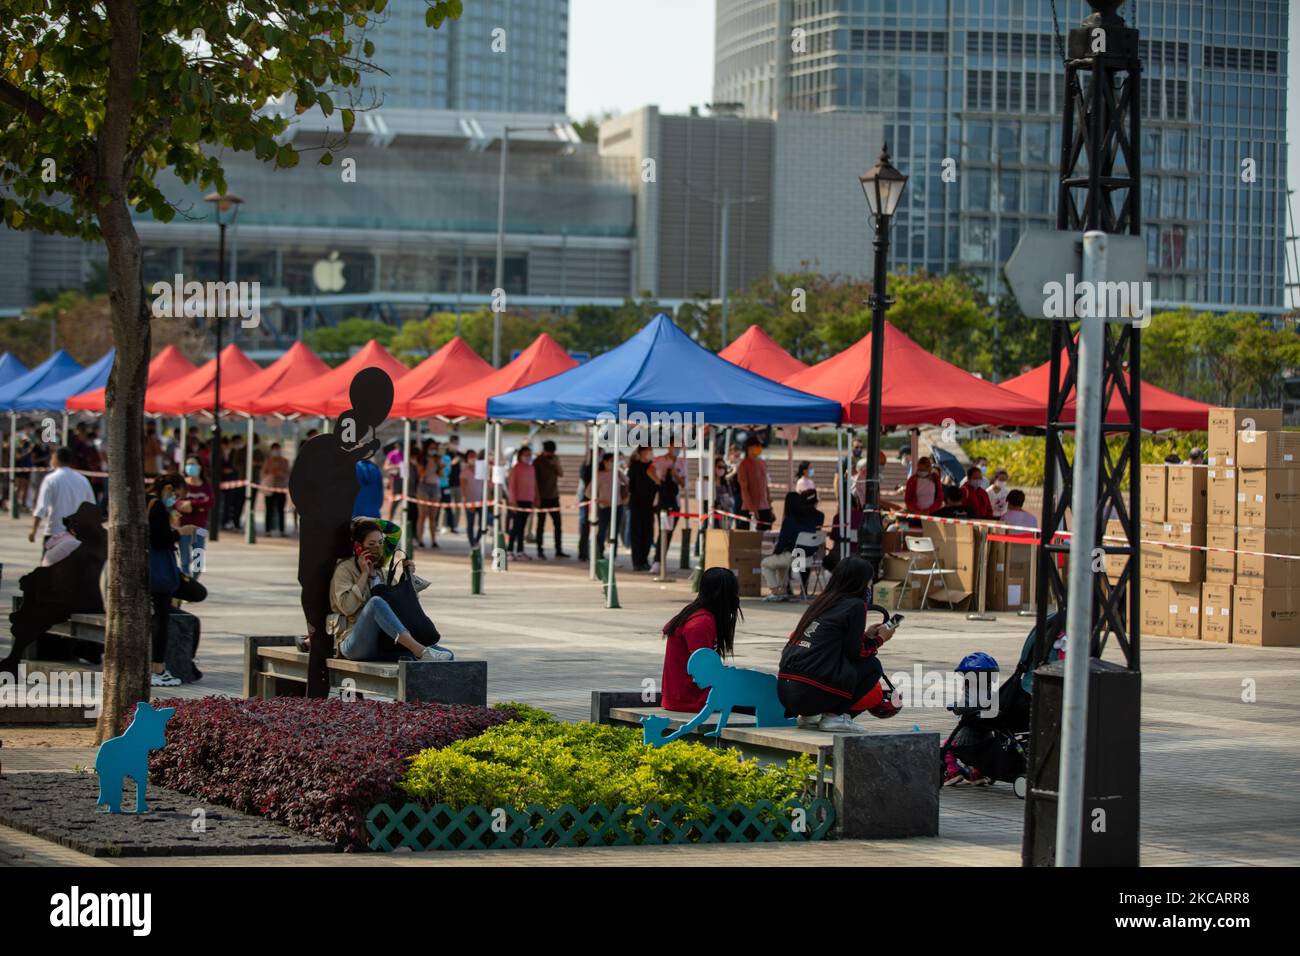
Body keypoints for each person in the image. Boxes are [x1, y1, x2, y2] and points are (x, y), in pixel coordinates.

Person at [290, 367, 392, 697]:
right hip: (319, 547)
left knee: (334, 621)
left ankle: (332, 694)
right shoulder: (325, 454)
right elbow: (306, 490)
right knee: (321, 626)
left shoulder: (340, 461)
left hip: (329, 544)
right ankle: (318, 695)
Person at [776, 555, 901, 734]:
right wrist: (881, 639)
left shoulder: (822, 601)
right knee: (873, 666)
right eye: (869, 581)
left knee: (832, 663)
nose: (869, 586)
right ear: (860, 582)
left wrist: (865, 635)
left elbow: (831, 643)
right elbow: (855, 653)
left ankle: (809, 717)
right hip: (810, 691)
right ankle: (834, 717)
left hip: (787, 692)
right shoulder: (855, 605)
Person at [1, 502, 107, 676]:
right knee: (37, 606)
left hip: (92, 599)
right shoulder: (81, 542)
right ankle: (16, 657)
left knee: (38, 609)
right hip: (80, 595)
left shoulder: (88, 543)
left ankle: (15, 657)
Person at [329, 518, 452, 662]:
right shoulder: (345, 570)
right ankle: (420, 651)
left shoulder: (383, 573)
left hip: (383, 644)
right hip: (352, 643)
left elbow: (403, 607)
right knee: (375, 603)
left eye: (380, 543)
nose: (378, 548)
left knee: (447, 655)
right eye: (371, 544)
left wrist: (408, 578)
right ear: (358, 547)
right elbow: (347, 608)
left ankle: (420, 651)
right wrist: (363, 575)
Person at [659, 567, 741, 712]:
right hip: (691, 699)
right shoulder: (701, 623)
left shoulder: (698, 615)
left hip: (683, 696)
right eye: (733, 593)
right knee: (761, 696)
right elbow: (704, 670)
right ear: (722, 595)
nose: (736, 598)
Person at [148, 474, 186, 687]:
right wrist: (179, 533)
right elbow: (160, 539)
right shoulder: (158, 507)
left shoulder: (145, 500)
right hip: (159, 572)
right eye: (175, 494)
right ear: (169, 488)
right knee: (161, 618)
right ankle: (158, 668)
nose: (175, 499)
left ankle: (154, 667)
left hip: (144, 571)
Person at [761, 490, 824, 602]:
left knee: (765, 563)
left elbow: (782, 542)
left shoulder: (789, 520)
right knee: (780, 562)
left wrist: (775, 553)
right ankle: (783, 590)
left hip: (794, 557)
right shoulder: (810, 519)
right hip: (809, 558)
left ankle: (776, 591)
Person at [29, 447, 95, 549]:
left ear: (56, 459)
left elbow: (41, 507)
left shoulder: (50, 479)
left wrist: (33, 530)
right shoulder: (83, 480)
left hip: (55, 532)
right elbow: (91, 507)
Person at [178, 455, 212, 577]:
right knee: (184, 559)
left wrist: (192, 503)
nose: (190, 467)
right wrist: (184, 505)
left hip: (200, 527)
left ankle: (194, 582)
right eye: (188, 464)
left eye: (193, 464)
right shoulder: (182, 485)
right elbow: (176, 502)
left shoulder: (206, 485)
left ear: (200, 467)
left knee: (198, 559)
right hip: (184, 527)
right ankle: (186, 581)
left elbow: (210, 502)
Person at [626, 445, 659, 571]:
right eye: (648, 450)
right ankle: (637, 561)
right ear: (641, 452)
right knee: (637, 533)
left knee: (648, 534)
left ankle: (644, 559)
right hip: (636, 504)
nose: (650, 453)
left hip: (650, 505)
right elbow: (631, 486)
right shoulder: (634, 466)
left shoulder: (653, 466)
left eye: (651, 450)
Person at [534, 440, 566, 559]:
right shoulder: (537, 462)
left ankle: (559, 550)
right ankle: (539, 550)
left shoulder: (555, 459)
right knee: (540, 525)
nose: (550, 454)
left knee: (558, 524)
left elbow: (561, 474)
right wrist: (536, 497)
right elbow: (535, 481)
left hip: (554, 496)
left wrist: (555, 464)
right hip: (542, 497)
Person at [506, 445, 537, 559]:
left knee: (522, 527)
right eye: (526, 455)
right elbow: (512, 486)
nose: (528, 457)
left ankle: (520, 550)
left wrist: (534, 499)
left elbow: (533, 485)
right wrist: (512, 501)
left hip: (528, 500)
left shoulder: (531, 468)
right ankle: (509, 549)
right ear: (520, 456)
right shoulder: (516, 468)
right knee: (516, 526)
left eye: (529, 455)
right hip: (517, 501)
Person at [737, 437, 774, 530]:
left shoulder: (762, 463)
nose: (759, 448)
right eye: (757, 446)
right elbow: (744, 490)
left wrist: (770, 507)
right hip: (749, 509)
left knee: (766, 541)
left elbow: (765, 486)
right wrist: (752, 510)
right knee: (749, 542)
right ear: (749, 448)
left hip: (764, 508)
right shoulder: (744, 465)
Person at [415, 440, 440, 548]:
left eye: (434, 448)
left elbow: (440, 474)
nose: (433, 450)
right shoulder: (422, 459)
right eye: (431, 447)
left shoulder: (437, 458)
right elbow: (420, 474)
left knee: (433, 516)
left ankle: (434, 540)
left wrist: (439, 466)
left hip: (434, 486)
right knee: (422, 515)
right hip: (423, 486)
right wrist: (429, 465)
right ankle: (420, 539)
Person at [262, 442, 290, 536]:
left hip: (281, 488)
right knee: (269, 510)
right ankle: (267, 530)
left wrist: (280, 474)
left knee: (281, 510)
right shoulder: (268, 461)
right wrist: (271, 474)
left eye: (277, 449)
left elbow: (288, 474)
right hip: (269, 488)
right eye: (274, 449)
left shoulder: (285, 461)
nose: (276, 451)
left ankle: (282, 530)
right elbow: (263, 473)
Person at [904, 455, 944, 519]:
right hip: (916, 514)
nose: (921, 472)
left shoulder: (935, 479)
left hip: (933, 514)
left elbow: (939, 498)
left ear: (929, 469)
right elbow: (907, 499)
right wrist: (917, 511)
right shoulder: (912, 480)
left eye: (923, 470)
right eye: (919, 469)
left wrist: (929, 511)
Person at [461, 447, 484, 546]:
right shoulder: (464, 472)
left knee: (483, 523)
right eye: (471, 456)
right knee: (470, 523)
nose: (473, 458)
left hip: (481, 500)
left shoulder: (481, 469)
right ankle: (472, 543)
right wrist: (466, 501)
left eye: (474, 456)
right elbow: (463, 488)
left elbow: (484, 485)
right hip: (470, 501)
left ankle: (477, 540)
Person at [353, 446, 385, 519]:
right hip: (374, 513)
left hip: (355, 513)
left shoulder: (351, 468)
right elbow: (380, 493)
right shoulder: (376, 469)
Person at [444, 435, 462, 534]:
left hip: (458, 483)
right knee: (447, 505)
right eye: (454, 443)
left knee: (458, 505)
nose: (455, 445)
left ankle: (455, 525)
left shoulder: (459, 454)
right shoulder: (447, 454)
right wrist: (452, 463)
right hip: (448, 483)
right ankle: (445, 524)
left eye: (457, 443)